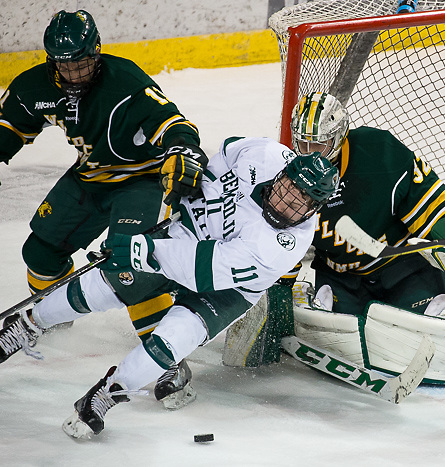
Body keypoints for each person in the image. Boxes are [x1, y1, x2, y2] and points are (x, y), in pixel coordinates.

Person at [0, 136, 340, 439]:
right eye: (286, 190)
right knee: (104, 286)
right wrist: (196, 189)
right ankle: (28, 324)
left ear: (314, 208)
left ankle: (107, 393)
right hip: (191, 233)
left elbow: (201, 269)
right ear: (282, 173)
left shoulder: (282, 244)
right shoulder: (265, 154)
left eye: (299, 203)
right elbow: (225, 152)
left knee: (171, 343)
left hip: (228, 287)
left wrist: (141, 250)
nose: (285, 203)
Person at [0, 10, 206, 407]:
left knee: (129, 266)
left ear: (96, 53)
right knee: (40, 250)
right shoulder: (36, 85)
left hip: (142, 180)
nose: (74, 74)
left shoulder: (124, 81)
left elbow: (175, 123)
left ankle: (164, 357)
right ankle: (48, 318)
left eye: (82, 63)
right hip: (90, 177)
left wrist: (182, 149)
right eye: (65, 65)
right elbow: (7, 127)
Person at [289, 91, 445, 316]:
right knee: (329, 330)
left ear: (338, 136)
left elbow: (428, 201)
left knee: (434, 318)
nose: (309, 154)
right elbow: (281, 240)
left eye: (319, 145)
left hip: (404, 267)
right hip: (341, 277)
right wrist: (280, 288)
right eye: (302, 143)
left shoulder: (379, 152)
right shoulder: (289, 174)